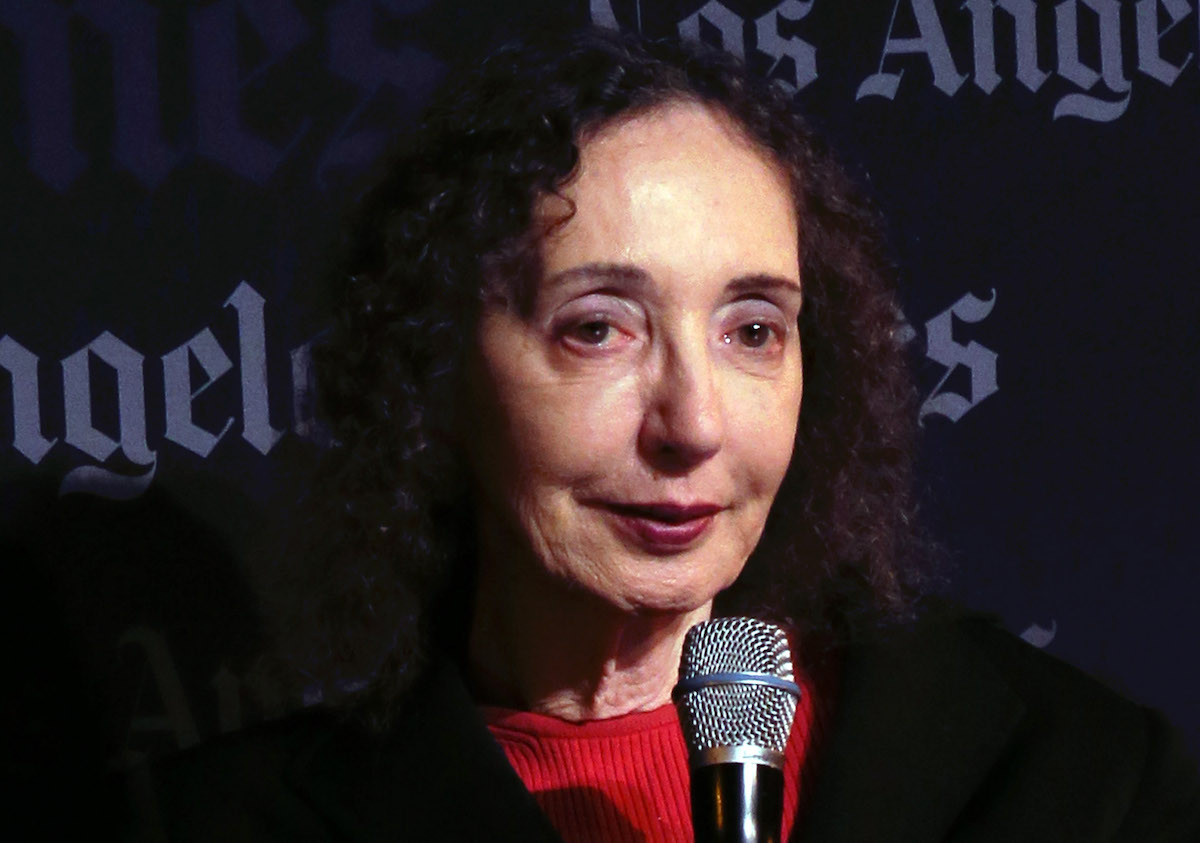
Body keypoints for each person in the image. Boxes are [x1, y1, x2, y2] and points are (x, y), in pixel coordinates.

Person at [125, 27, 1200, 842]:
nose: (694, 422)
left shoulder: (1074, 776)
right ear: (435, 374)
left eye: (752, 330)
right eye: (599, 328)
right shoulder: (212, 823)